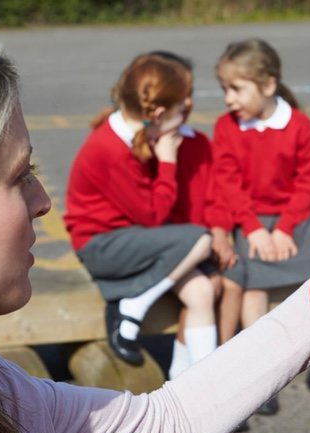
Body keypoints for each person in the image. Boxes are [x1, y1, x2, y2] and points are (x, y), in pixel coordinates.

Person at [0, 16, 310, 433]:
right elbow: (149, 213)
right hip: (115, 250)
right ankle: (137, 301)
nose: (44, 201)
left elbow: (167, 424)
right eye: (20, 175)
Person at [64, 53, 220, 369]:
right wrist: (167, 160)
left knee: (201, 291)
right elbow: (152, 216)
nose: (188, 109)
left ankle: (200, 384)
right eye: (182, 107)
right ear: (159, 113)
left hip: (134, 240)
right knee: (200, 240)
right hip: (102, 245)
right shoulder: (111, 147)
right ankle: (135, 303)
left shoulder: (135, 132)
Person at [210, 38, 310, 409]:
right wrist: (254, 230)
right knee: (253, 288)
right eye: (224, 89)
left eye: (236, 89)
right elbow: (228, 184)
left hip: (291, 219)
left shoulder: (300, 126)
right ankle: (260, 377)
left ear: (267, 85)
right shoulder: (227, 127)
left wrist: (284, 228)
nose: (228, 99)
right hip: (249, 220)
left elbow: (309, 183)